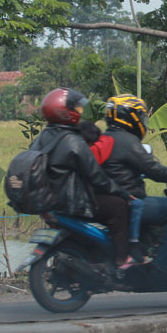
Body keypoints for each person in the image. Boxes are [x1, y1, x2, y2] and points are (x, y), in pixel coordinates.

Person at [99, 94, 167, 285]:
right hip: (130, 201)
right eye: (140, 116)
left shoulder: (104, 138)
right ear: (130, 117)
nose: (142, 121)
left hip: (107, 201)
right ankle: (164, 268)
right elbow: (154, 170)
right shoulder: (127, 141)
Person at [34, 88, 133, 268]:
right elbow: (96, 176)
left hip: (51, 201)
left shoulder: (43, 137)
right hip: (72, 201)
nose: (79, 113)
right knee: (118, 206)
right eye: (76, 109)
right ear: (64, 111)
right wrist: (122, 193)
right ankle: (122, 258)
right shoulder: (73, 140)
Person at [79, 119, 149, 267]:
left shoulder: (70, 148)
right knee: (124, 206)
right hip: (83, 199)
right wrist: (123, 193)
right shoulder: (92, 153)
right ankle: (126, 254)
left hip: (69, 199)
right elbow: (100, 179)